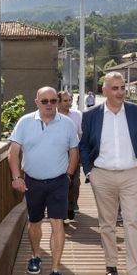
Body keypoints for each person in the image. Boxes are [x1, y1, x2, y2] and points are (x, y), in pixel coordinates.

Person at [79, 72, 137, 275]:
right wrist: (89, 171)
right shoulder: (91, 116)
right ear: (104, 91)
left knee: (132, 222)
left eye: (122, 88)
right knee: (107, 224)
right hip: (102, 175)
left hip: (133, 175)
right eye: (115, 88)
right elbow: (83, 146)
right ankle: (111, 264)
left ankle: (135, 274)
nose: (120, 92)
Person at [8, 86, 79, 275]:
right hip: (33, 181)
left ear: (57, 102)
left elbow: (74, 151)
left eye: (53, 101)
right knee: (35, 222)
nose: (49, 105)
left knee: (58, 223)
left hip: (58, 181)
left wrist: (68, 176)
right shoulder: (25, 122)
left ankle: (56, 270)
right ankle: (36, 254)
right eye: (45, 101)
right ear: (36, 102)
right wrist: (16, 177)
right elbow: (13, 152)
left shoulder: (66, 124)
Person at [57, 90, 83, 221]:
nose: (69, 103)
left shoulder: (77, 115)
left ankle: (71, 207)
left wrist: (83, 154)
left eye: (70, 100)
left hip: (74, 152)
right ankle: (62, 208)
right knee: (59, 182)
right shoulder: (53, 115)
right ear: (58, 102)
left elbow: (81, 134)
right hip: (57, 154)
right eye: (65, 101)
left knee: (75, 182)